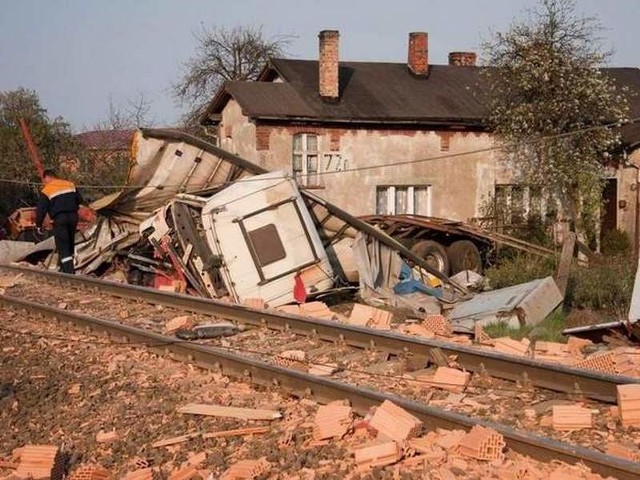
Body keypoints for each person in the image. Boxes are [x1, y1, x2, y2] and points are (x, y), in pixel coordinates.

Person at [35, 169, 83, 274]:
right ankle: (64, 269)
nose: (44, 183)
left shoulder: (47, 190)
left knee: (63, 245)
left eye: (44, 181)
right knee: (70, 243)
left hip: (60, 219)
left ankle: (69, 273)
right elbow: (79, 200)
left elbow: (41, 209)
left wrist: (38, 225)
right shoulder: (70, 185)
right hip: (73, 217)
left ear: (47, 177)